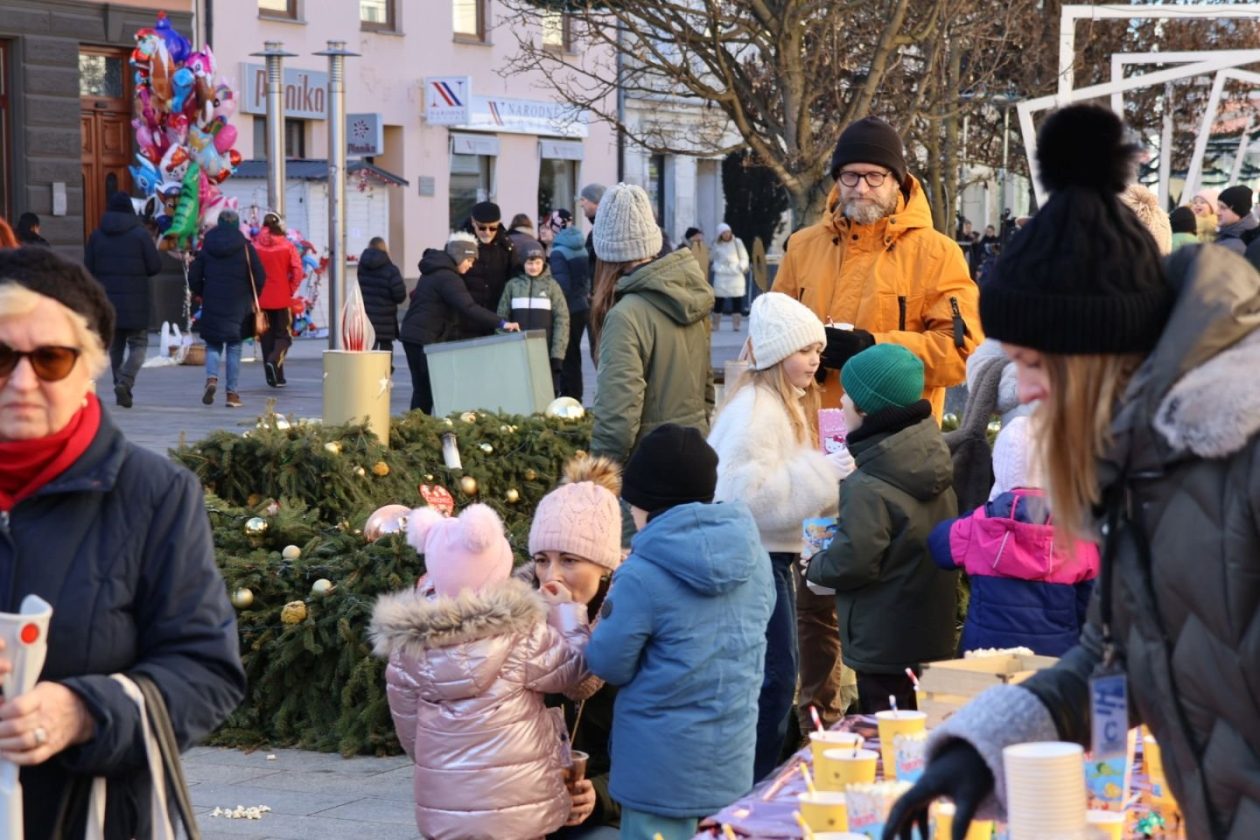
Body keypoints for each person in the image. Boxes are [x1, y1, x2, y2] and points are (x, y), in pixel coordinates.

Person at [885, 103, 1260, 840]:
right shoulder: (1143, 465)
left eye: (1031, 364)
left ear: (1090, 353)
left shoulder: (1237, 457)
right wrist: (984, 746)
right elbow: (1121, 651)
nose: (1022, 390)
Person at [0, 247, 244, 839]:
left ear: (90, 367)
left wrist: (84, 711)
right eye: (1, 357)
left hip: (91, 817)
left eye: (51, 359)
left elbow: (207, 672)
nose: (22, 381)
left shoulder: (154, 494)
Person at [773, 115, 981, 736]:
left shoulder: (937, 252)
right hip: (815, 449)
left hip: (892, 461)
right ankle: (818, 721)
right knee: (815, 592)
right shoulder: (803, 245)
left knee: (886, 591)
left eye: (872, 176)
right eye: (848, 176)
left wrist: (872, 345)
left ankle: (891, 720)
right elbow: (771, 327)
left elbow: (960, 351)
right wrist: (799, 352)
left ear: (898, 181)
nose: (859, 188)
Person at [585, 424, 773, 840]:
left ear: (647, 503)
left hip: (657, 776)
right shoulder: (755, 559)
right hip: (732, 762)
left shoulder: (641, 573)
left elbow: (607, 664)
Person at [369, 503, 590, 840]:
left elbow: (410, 730)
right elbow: (575, 669)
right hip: (520, 807)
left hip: (445, 808)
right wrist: (567, 613)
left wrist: (442, 766)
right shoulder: (522, 634)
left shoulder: (408, 645)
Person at [707, 292, 854, 781]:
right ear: (774, 355)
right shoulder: (757, 412)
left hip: (771, 558)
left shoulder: (776, 402)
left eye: (817, 349)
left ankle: (753, 783)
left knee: (775, 676)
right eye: (804, 350)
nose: (816, 359)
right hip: (756, 560)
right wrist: (823, 475)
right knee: (773, 680)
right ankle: (752, 790)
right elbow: (741, 496)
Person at [804, 344, 957, 713]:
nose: (840, 401)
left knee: (888, 741)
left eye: (848, 395)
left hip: (883, 642)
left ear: (867, 410)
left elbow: (854, 561)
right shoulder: (934, 463)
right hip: (931, 635)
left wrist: (816, 564)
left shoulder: (867, 485)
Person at [928, 415, 1100, 656]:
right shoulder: (1079, 534)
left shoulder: (978, 524)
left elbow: (938, 546)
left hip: (983, 657)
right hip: (1054, 662)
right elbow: (1089, 603)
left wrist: (968, 518)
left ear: (1001, 465)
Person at [530, 454, 626, 840]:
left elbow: (661, 749)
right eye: (541, 559)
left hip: (604, 811)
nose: (550, 576)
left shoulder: (627, 625)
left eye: (569, 560)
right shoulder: (516, 619)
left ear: (603, 565)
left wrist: (599, 794)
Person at [589, 184, 714, 464]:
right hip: (694, 450)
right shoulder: (689, 294)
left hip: (647, 465)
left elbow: (617, 415)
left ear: (606, 251)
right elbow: (706, 387)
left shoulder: (625, 315)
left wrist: (597, 473)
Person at [399, 232, 519, 414]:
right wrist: (502, 323)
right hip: (423, 336)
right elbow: (468, 307)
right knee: (426, 390)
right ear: (459, 256)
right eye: (469, 260)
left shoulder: (436, 270)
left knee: (423, 389)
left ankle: (416, 427)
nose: (471, 266)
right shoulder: (447, 277)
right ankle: (417, 429)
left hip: (416, 335)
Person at [83, 191, 161, 409]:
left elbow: (88, 269)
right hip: (136, 302)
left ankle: (120, 383)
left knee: (116, 346)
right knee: (139, 344)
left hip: (108, 303)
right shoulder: (140, 235)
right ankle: (125, 381)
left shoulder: (97, 235)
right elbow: (155, 266)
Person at [187, 209, 265, 409]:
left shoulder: (207, 247)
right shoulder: (246, 247)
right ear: (237, 224)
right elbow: (260, 276)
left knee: (213, 344)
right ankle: (231, 394)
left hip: (213, 300)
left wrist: (202, 291)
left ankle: (212, 379)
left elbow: (194, 274)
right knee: (234, 346)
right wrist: (251, 295)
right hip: (239, 303)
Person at [499, 242, 570, 393]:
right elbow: (502, 317)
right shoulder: (512, 286)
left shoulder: (552, 286)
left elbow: (562, 321)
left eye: (538, 263)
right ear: (523, 263)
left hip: (544, 351)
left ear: (543, 263)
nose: (534, 267)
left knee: (543, 391)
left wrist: (557, 355)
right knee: (518, 390)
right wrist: (504, 346)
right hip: (516, 351)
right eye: (529, 263)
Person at [251, 211, 302, 388]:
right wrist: (290, 289)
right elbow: (297, 271)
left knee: (266, 337)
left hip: (262, 299)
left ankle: (274, 377)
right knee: (284, 337)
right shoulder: (287, 246)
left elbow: (250, 271)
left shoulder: (255, 246)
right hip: (281, 297)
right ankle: (274, 362)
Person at [549, 210, 592, 401]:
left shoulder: (558, 252)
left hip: (568, 309)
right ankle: (576, 395)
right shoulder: (580, 246)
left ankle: (571, 397)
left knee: (567, 355)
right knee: (574, 355)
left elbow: (562, 286)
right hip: (583, 306)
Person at [459, 201, 516, 337]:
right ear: (473, 222)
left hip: (496, 318)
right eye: (482, 228)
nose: (487, 232)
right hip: (466, 321)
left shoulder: (506, 247)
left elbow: (513, 279)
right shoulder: (459, 244)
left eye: (493, 228)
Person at [356, 236, 407, 360]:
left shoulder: (362, 268)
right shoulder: (391, 270)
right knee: (385, 355)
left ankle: (368, 378)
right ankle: (384, 377)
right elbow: (400, 296)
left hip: (366, 320)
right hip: (386, 321)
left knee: (368, 355)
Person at [710, 223, 749, 331]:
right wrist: (717, 267)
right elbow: (712, 258)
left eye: (728, 232)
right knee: (718, 300)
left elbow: (744, 257)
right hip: (721, 275)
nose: (727, 235)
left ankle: (736, 325)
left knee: (737, 300)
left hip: (735, 275)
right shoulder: (716, 244)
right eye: (724, 233)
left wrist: (740, 267)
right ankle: (715, 324)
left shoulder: (737, 242)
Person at [1215, 185, 1258, 254]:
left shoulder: (1234, 246)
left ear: (1238, 211)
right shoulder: (1229, 234)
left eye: (1223, 208)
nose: (1217, 212)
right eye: (1218, 206)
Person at [579, 183, 606, 265]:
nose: (581, 204)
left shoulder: (604, 231)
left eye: (583, 199)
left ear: (595, 201)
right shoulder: (598, 229)